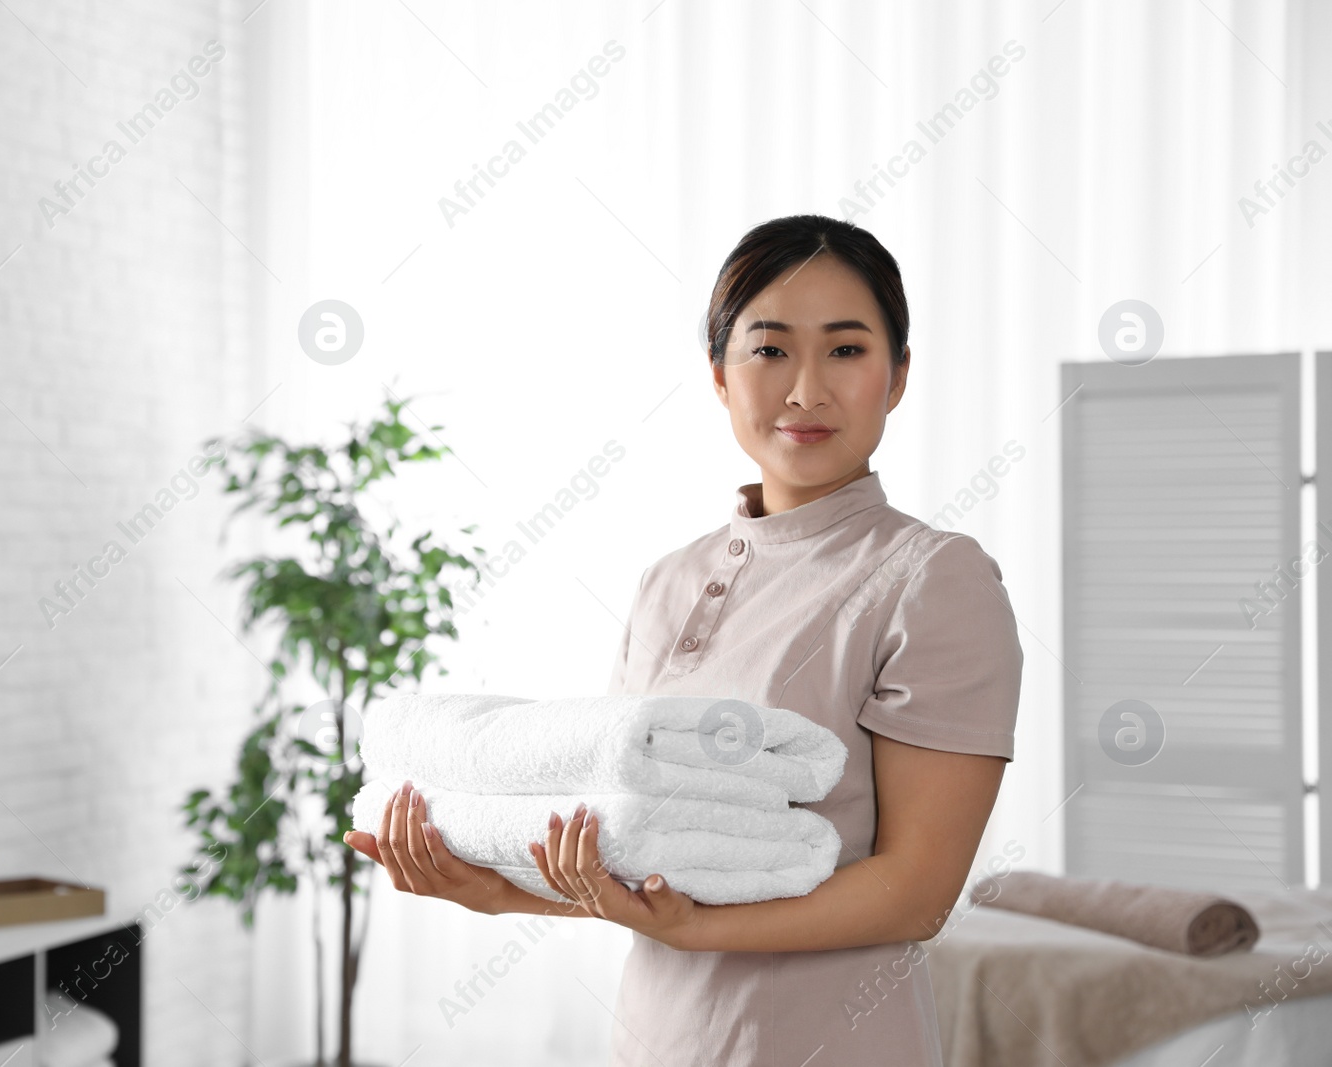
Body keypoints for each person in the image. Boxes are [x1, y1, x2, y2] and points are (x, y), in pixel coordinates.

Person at [344, 213, 1024, 1066]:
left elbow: (914, 892)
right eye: (769, 350)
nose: (805, 389)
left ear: (897, 376)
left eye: (845, 350)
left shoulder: (934, 579)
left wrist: (699, 928)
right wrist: (500, 890)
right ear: (718, 374)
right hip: (660, 1038)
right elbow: (641, 863)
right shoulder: (668, 581)